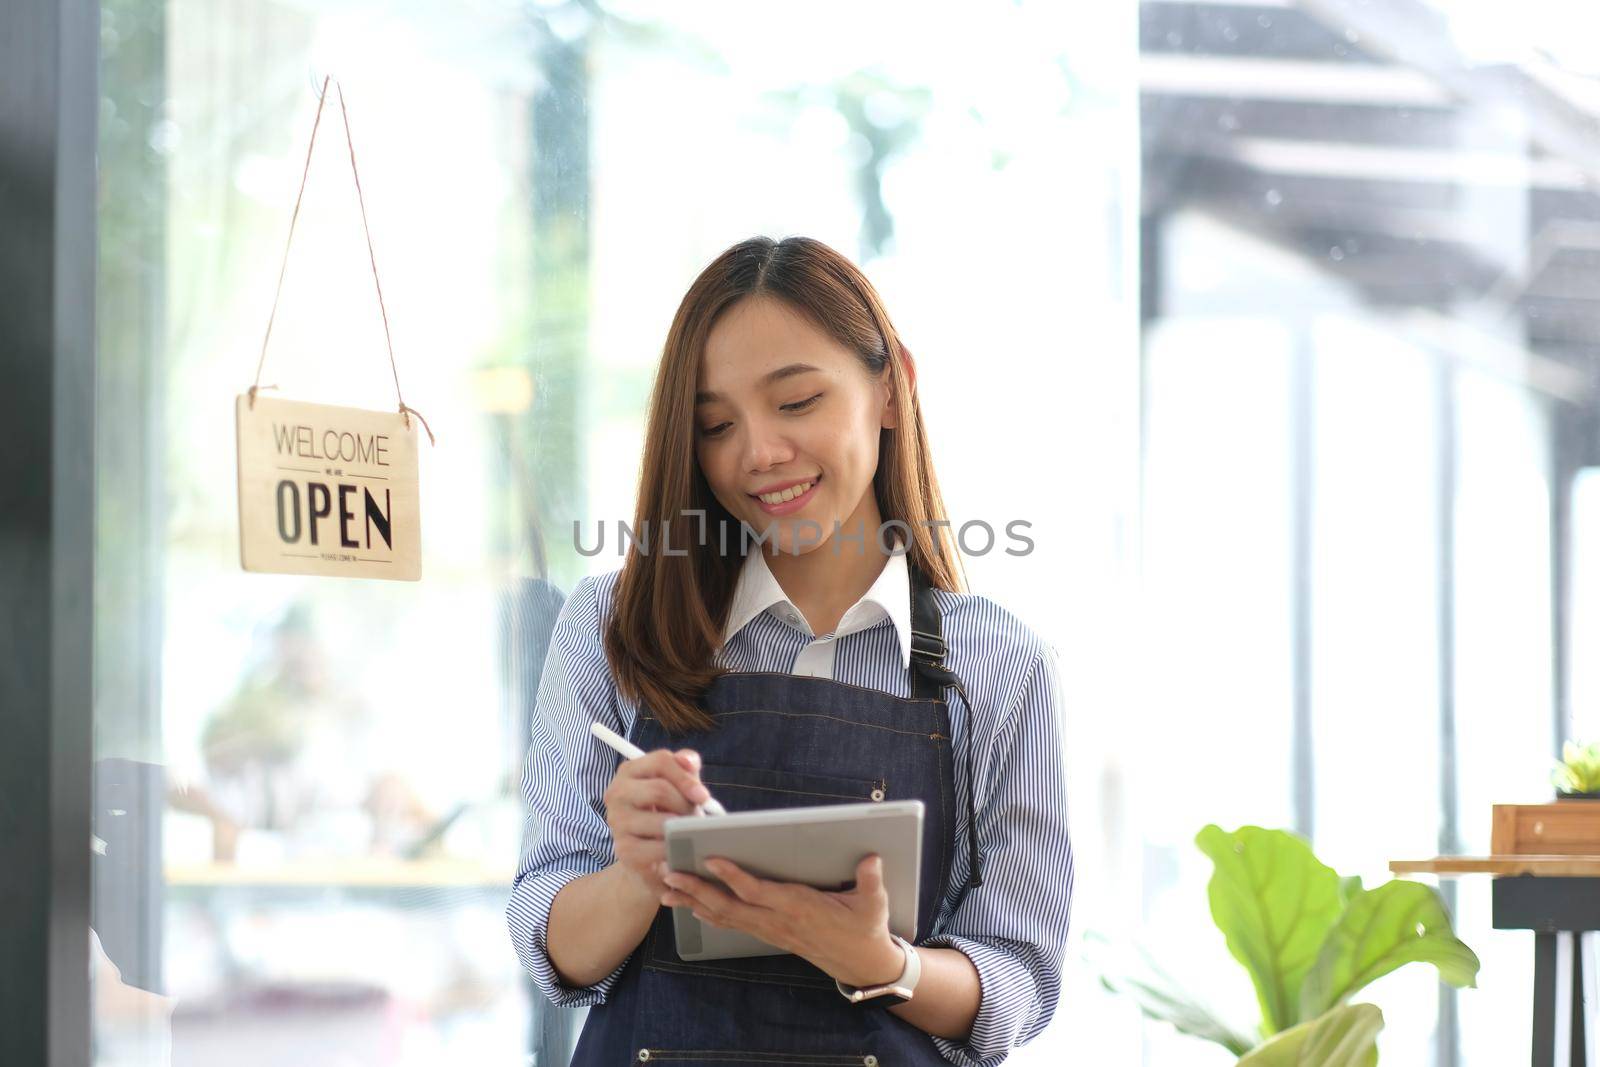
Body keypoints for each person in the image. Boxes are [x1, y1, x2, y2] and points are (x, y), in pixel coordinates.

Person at [506, 235, 1074, 1066]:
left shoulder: (997, 664)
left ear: (892, 387)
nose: (759, 453)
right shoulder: (612, 624)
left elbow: (1019, 978)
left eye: (797, 401)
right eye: (715, 424)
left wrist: (882, 963)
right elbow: (548, 942)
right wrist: (638, 872)